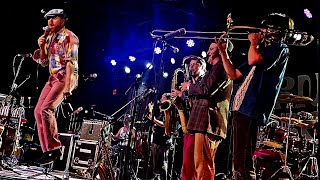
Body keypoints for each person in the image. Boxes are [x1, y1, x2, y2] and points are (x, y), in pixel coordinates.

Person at [218, 13, 293, 180]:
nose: (262, 31)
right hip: (241, 107)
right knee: (237, 159)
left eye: (266, 28)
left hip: (252, 108)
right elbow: (234, 75)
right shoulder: (262, 51)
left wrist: (253, 43)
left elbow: (253, 59)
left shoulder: (281, 48)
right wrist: (223, 52)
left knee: (243, 160)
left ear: (275, 30)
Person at [177, 46, 233, 180]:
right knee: (201, 166)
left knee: (203, 167)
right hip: (204, 122)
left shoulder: (219, 67)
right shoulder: (216, 68)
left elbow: (206, 90)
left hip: (207, 122)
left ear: (220, 50)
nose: (208, 52)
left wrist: (189, 87)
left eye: (211, 49)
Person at [32, 8, 79, 165]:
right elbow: (44, 62)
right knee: (38, 111)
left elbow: (72, 63)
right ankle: (48, 150)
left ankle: (55, 148)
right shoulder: (50, 37)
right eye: (48, 19)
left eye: (54, 18)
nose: (50, 21)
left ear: (63, 20)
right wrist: (42, 47)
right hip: (53, 77)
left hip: (65, 77)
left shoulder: (70, 37)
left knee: (46, 109)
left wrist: (68, 86)